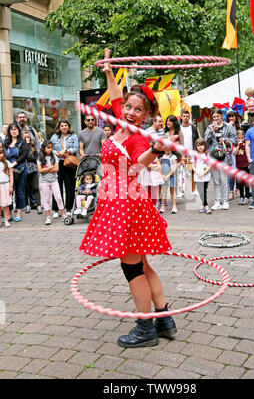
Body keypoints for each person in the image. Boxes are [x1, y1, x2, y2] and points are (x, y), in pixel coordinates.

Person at [79, 47, 177, 348]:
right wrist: (109, 71)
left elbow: (138, 164)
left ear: (147, 115)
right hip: (117, 200)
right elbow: (116, 94)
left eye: (138, 110)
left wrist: (157, 150)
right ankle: (163, 319)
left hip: (126, 204)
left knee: (132, 266)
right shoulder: (121, 126)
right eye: (129, 107)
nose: (130, 112)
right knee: (142, 264)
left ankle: (145, 326)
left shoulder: (136, 137)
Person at [204, 109, 237, 210]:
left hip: (225, 156)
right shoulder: (210, 127)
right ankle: (217, 201)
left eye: (217, 116)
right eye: (214, 117)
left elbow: (235, 139)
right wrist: (211, 132)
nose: (216, 119)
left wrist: (226, 140)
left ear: (222, 116)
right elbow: (205, 140)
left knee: (224, 179)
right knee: (216, 180)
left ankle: (225, 200)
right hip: (214, 156)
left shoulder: (228, 126)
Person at [50, 119, 79, 217]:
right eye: (62, 125)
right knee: (57, 186)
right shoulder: (54, 137)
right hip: (58, 163)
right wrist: (57, 153)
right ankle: (56, 209)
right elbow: (50, 148)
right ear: (59, 127)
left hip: (70, 163)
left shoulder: (74, 136)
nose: (64, 127)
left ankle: (69, 208)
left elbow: (76, 148)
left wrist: (66, 150)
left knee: (70, 186)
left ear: (69, 126)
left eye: (66, 125)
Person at [3, 124, 29, 222]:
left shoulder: (22, 142)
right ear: (9, 131)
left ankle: (18, 212)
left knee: (20, 191)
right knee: (8, 191)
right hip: (8, 169)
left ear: (18, 131)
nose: (14, 131)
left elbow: (26, 154)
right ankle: (9, 213)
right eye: (12, 129)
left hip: (20, 168)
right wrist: (8, 165)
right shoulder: (6, 143)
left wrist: (15, 162)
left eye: (16, 129)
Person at [37, 140, 67, 225]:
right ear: (44, 148)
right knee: (46, 199)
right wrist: (51, 167)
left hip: (54, 180)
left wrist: (46, 169)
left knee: (59, 198)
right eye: (48, 148)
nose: (50, 149)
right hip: (44, 182)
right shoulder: (40, 158)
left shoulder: (54, 157)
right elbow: (40, 170)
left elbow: (56, 169)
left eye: (51, 148)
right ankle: (47, 216)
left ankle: (63, 214)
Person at [22, 130, 42, 214]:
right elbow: (24, 156)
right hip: (25, 169)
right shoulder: (21, 146)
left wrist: (31, 158)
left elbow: (36, 157)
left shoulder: (33, 146)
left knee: (36, 187)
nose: (27, 138)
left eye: (28, 137)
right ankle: (27, 205)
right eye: (25, 137)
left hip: (33, 169)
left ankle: (39, 205)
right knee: (26, 188)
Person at [180, 109, 199, 195]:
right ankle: (181, 191)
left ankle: (193, 189)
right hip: (181, 154)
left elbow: (197, 140)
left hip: (191, 153)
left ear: (189, 117)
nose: (185, 118)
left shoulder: (193, 128)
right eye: (184, 116)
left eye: (187, 116)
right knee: (181, 172)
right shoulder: (178, 128)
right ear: (181, 117)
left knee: (192, 172)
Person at [191, 138, 212, 214]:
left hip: (205, 175)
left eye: (202, 145)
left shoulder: (207, 154)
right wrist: (197, 172)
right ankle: (204, 205)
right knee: (200, 191)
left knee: (204, 190)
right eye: (198, 145)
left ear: (205, 146)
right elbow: (192, 165)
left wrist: (204, 173)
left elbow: (209, 165)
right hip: (197, 175)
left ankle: (205, 206)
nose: (200, 147)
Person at [232, 130, 250, 205]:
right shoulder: (235, 145)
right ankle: (241, 197)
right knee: (240, 182)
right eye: (239, 138)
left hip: (246, 165)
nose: (240, 140)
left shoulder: (246, 144)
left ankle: (247, 197)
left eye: (241, 138)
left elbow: (249, 152)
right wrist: (238, 145)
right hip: (239, 166)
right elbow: (234, 153)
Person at [159, 150, 178, 214]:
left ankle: (174, 206)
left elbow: (175, 167)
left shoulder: (173, 157)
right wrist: (161, 175)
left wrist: (168, 175)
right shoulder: (161, 157)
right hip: (163, 176)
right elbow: (159, 167)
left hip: (171, 176)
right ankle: (162, 206)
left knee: (172, 191)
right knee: (164, 191)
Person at [227, 110, 240, 200]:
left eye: (233, 116)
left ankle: (238, 189)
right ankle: (231, 191)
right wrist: (232, 149)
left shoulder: (239, 127)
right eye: (230, 116)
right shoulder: (226, 127)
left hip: (239, 151)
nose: (231, 118)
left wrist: (237, 147)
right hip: (230, 151)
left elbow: (241, 138)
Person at [0, 146, 14, 227]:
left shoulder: (7, 163)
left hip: (5, 185)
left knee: (5, 204)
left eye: (1, 153)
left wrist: (11, 186)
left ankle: (6, 220)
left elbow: (11, 175)